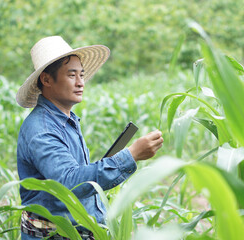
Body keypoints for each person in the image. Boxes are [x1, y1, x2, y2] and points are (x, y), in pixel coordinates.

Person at [16, 36, 163, 240]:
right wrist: (131, 155)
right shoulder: (42, 130)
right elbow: (69, 183)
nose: (80, 83)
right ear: (47, 79)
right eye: (71, 75)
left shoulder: (66, 120)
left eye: (82, 75)